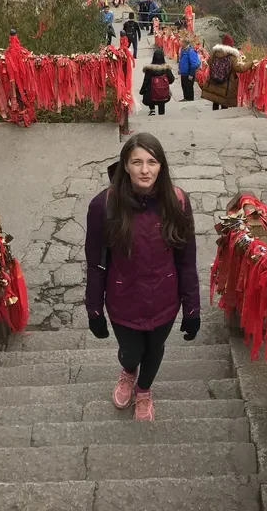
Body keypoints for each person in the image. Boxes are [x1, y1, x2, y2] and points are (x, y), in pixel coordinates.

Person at [85, 133, 201, 421]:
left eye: (152, 162)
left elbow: (187, 260)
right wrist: (94, 309)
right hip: (123, 297)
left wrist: (193, 308)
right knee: (131, 350)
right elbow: (95, 261)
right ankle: (127, 371)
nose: (145, 170)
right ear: (125, 165)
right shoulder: (104, 206)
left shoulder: (178, 202)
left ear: (161, 166)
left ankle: (144, 389)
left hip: (165, 298)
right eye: (137, 162)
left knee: (155, 349)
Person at [201, 34, 255, 111]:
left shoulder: (215, 54)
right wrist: (251, 63)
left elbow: (209, 62)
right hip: (226, 83)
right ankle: (223, 117)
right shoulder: (231, 57)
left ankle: (214, 114)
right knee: (224, 102)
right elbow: (240, 68)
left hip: (214, 81)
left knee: (215, 99)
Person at [140, 47, 175, 116]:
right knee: (162, 96)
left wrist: (142, 91)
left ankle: (152, 109)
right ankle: (161, 112)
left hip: (151, 94)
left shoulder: (149, 69)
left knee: (149, 91)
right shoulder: (166, 69)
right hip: (163, 95)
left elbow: (146, 82)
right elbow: (171, 79)